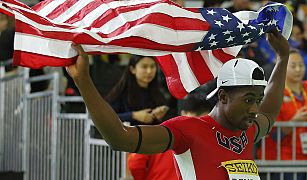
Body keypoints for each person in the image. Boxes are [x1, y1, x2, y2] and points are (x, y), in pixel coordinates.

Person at [66, 29, 289, 180]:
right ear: (222, 97)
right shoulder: (188, 130)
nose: (254, 109)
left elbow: (269, 110)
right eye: (249, 100)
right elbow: (120, 138)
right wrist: (83, 81)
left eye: (257, 100)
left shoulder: (248, 129)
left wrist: (283, 58)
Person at [257, 50, 307, 180]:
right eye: (293, 65)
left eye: (301, 65)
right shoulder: (273, 94)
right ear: (282, 67)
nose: (298, 69)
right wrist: (294, 122)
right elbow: (271, 135)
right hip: (285, 159)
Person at [127, 93, 213, 180]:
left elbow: (135, 163)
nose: (199, 124)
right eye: (196, 118)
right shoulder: (211, 139)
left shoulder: (160, 133)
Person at [105, 55, 168, 126]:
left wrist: (160, 113)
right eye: (144, 67)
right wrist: (133, 115)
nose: (149, 71)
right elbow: (105, 116)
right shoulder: (121, 92)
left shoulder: (158, 91)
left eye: (153, 66)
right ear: (132, 69)